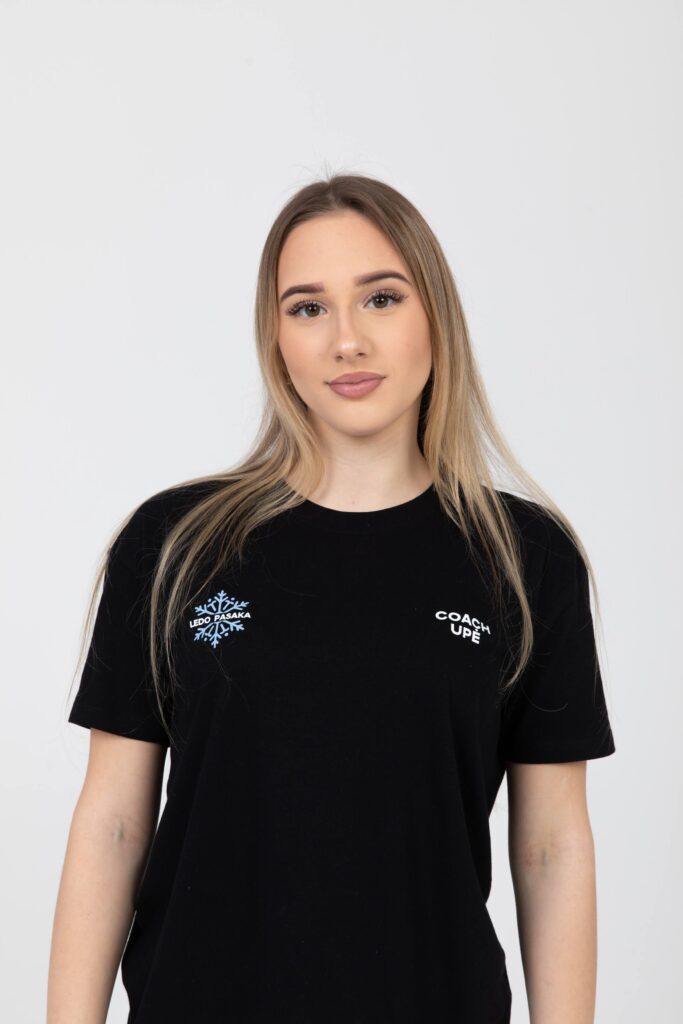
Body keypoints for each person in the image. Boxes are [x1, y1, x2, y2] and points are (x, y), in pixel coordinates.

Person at [48, 173, 616, 1024]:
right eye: (308, 307)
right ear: (275, 337)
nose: (347, 340)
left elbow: (550, 848)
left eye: (380, 298)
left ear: (435, 317)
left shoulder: (525, 558)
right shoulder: (174, 543)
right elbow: (113, 826)